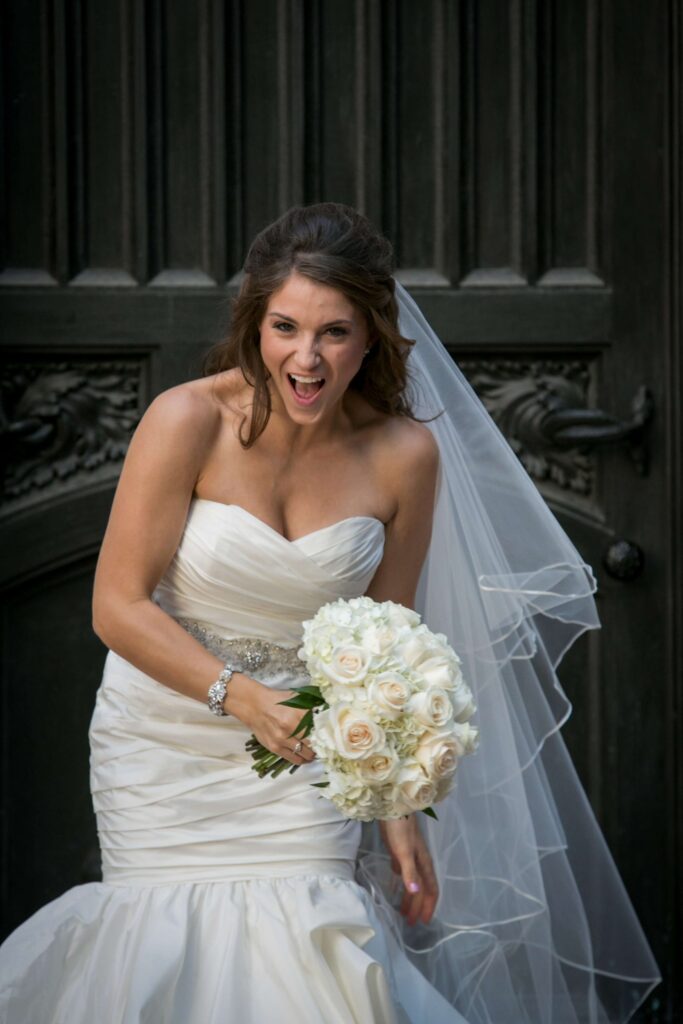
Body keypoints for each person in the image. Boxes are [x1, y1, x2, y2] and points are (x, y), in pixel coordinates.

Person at [0, 203, 660, 1023]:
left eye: (334, 333)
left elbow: (389, 642)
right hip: (162, 746)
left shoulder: (403, 455)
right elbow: (116, 606)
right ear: (255, 321)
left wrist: (397, 809)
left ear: (373, 335)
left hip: (309, 758)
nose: (305, 358)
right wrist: (240, 697)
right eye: (284, 328)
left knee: (306, 950)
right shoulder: (187, 421)